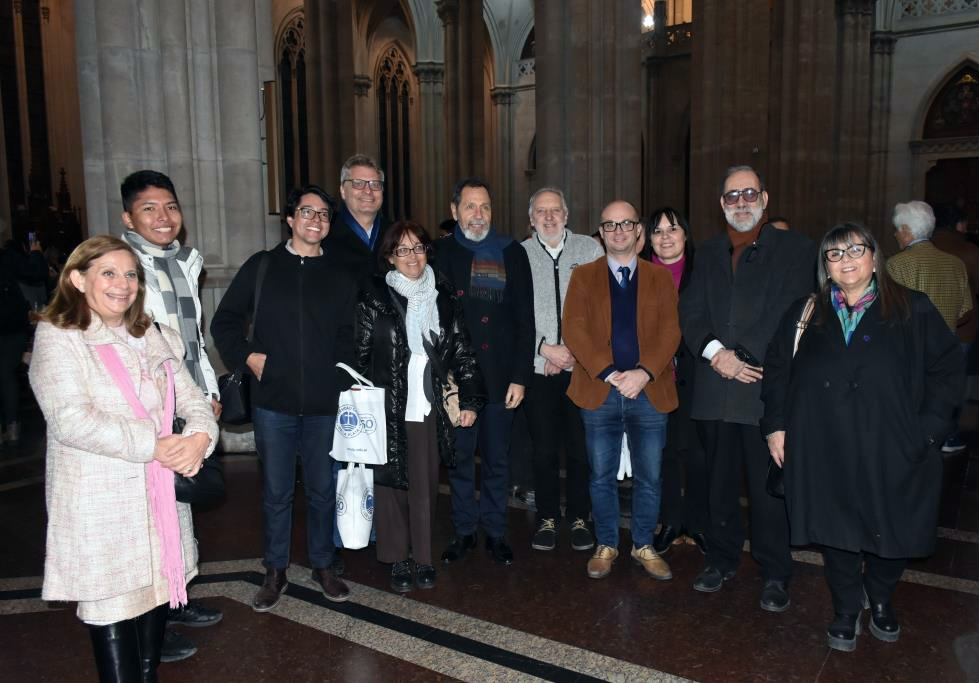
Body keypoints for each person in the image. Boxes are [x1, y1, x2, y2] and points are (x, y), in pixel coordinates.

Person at [761, 222, 962, 652]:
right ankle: (847, 608)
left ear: (874, 257)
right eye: (835, 254)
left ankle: (883, 597)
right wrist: (776, 427)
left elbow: (946, 372)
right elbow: (777, 370)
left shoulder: (912, 308)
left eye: (855, 251)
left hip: (892, 445)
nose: (846, 261)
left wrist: (927, 433)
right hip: (824, 446)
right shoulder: (805, 312)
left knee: (895, 530)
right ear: (825, 266)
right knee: (838, 534)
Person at [29, 235, 218, 681]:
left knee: (153, 595)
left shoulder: (147, 332)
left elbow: (192, 399)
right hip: (102, 499)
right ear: (77, 279)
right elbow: (70, 419)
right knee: (112, 601)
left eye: (130, 274)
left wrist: (197, 439)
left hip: (159, 499)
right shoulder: (59, 335)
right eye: (108, 273)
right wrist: (154, 444)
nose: (123, 284)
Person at [211, 184, 355, 611]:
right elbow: (225, 322)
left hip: (324, 406)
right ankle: (274, 570)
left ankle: (323, 565)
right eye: (307, 212)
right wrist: (248, 358)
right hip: (273, 402)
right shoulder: (263, 266)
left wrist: (339, 380)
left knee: (322, 487)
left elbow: (349, 336)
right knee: (276, 490)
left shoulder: (340, 274)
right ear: (290, 219)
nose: (316, 220)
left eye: (324, 214)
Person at [679, 164, 815, 611]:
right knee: (717, 484)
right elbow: (691, 311)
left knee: (766, 488)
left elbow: (792, 307)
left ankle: (776, 571)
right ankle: (720, 559)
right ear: (721, 203)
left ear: (765, 197)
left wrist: (744, 356)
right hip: (714, 386)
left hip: (761, 387)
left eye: (749, 194)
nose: (741, 202)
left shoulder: (796, 249)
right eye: (732, 196)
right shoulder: (710, 250)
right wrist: (717, 354)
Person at [118, 169, 223, 661]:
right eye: (149, 209)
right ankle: (150, 624)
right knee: (151, 515)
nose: (163, 218)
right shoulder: (121, 269)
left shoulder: (182, 263)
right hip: (149, 408)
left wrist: (208, 390)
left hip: (187, 398)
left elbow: (191, 338)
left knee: (178, 509)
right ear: (128, 217)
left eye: (171, 207)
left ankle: (176, 599)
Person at [355, 221, 485, 592]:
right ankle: (397, 558)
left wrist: (471, 398)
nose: (412, 256)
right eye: (403, 250)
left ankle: (424, 557)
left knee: (425, 482)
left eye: (418, 248)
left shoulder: (444, 295)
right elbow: (361, 354)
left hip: (428, 401)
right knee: (389, 483)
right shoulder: (374, 295)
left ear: (428, 251)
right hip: (386, 400)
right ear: (390, 257)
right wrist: (359, 399)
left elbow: (461, 347)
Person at [563, 200, 681, 580]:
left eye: (625, 224)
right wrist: (612, 373)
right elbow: (574, 330)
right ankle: (607, 543)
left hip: (649, 391)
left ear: (638, 231)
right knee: (600, 474)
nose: (618, 231)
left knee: (650, 476)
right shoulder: (583, 276)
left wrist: (644, 373)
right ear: (601, 232)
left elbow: (670, 332)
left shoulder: (659, 277)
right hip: (600, 390)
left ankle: (644, 544)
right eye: (610, 225)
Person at [434, 177, 534, 566]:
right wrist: (445, 379)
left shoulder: (511, 252)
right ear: (454, 211)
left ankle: (495, 531)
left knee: (497, 461)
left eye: (486, 207)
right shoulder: (440, 255)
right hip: (458, 379)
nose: (479, 215)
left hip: (500, 377)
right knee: (459, 461)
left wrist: (521, 376)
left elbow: (526, 321)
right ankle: (463, 531)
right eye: (471, 207)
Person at [520, 187, 603, 552]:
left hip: (582, 369)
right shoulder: (518, 254)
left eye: (555, 211)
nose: (549, 217)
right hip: (540, 372)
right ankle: (547, 517)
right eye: (541, 211)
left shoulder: (590, 250)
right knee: (543, 451)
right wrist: (544, 352)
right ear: (531, 218)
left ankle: (582, 517)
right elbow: (514, 317)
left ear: (567, 215)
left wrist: (571, 352)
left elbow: (603, 310)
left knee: (581, 448)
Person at [640, 207, 707, 555]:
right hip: (654, 377)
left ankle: (696, 523)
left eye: (673, 229)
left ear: (685, 235)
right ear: (648, 239)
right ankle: (669, 521)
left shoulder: (704, 270)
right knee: (662, 454)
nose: (665, 237)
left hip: (697, 375)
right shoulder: (639, 274)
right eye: (657, 231)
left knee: (697, 453)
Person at [888, 201, 973, 454]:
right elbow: (965, 310)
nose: (894, 235)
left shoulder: (897, 264)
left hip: (910, 349)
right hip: (949, 346)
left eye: (896, 230)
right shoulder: (955, 263)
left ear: (905, 230)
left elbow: (888, 313)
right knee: (940, 402)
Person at [0, 232, 47, 446]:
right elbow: (35, 272)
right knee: (6, 374)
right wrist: (36, 253)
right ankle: (12, 427)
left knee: (5, 374)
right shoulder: (6, 256)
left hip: (9, 324)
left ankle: (10, 426)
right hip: (10, 324)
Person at [326, 154, 390, 274]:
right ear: (343, 191)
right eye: (358, 183)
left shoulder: (397, 234)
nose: (368, 191)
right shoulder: (325, 234)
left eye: (375, 184)